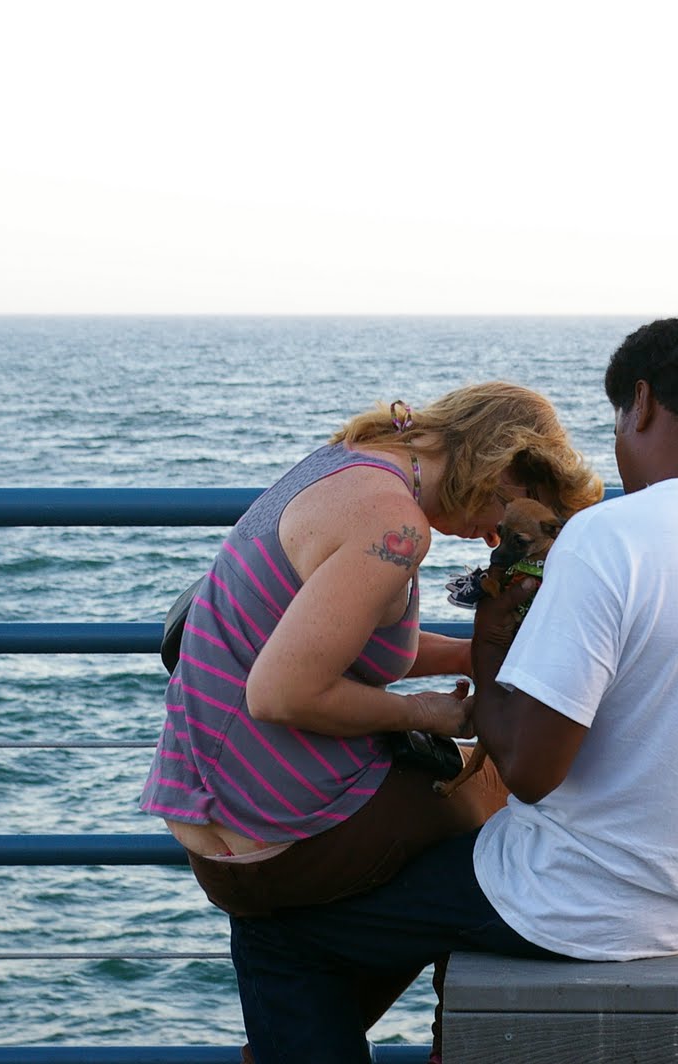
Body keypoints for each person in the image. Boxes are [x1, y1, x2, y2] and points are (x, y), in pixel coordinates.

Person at [225, 316, 678, 1063]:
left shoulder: (612, 536)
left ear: (641, 404)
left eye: (620, 421)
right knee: (420, 882)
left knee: (280, 930)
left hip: (574, 905)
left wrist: (494, 621)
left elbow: (527, 770)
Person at [137, 382, 602, 1034]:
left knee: (374, 914)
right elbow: (282, 693)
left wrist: (481, 655)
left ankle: (305, 1029)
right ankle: (453, 1034)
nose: (500, 531)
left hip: (215, 831)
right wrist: (427, 716)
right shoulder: (394, 525)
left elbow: (331, 640)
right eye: (516, 503)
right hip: (284, 837)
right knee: (508, 796)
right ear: (498, 465)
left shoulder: (346, 463)